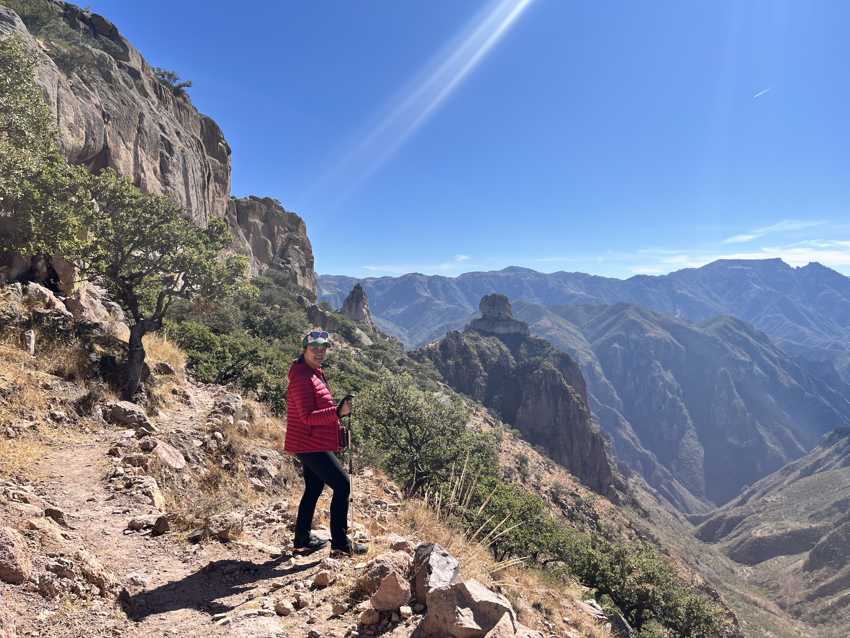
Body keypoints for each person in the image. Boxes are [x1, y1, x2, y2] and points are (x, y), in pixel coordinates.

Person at [283, 329, 367, 556]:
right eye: (314, 348)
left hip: (310, 441)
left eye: (323, 348)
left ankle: (302, 539)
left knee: (314, 487)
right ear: (304, 349)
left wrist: (336, 415)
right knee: (342, 484)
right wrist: (338, 412)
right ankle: (340, 544)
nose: (319, 352)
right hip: (309, 443)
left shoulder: (313, 371)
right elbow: (307, 416)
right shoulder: (301, 376)